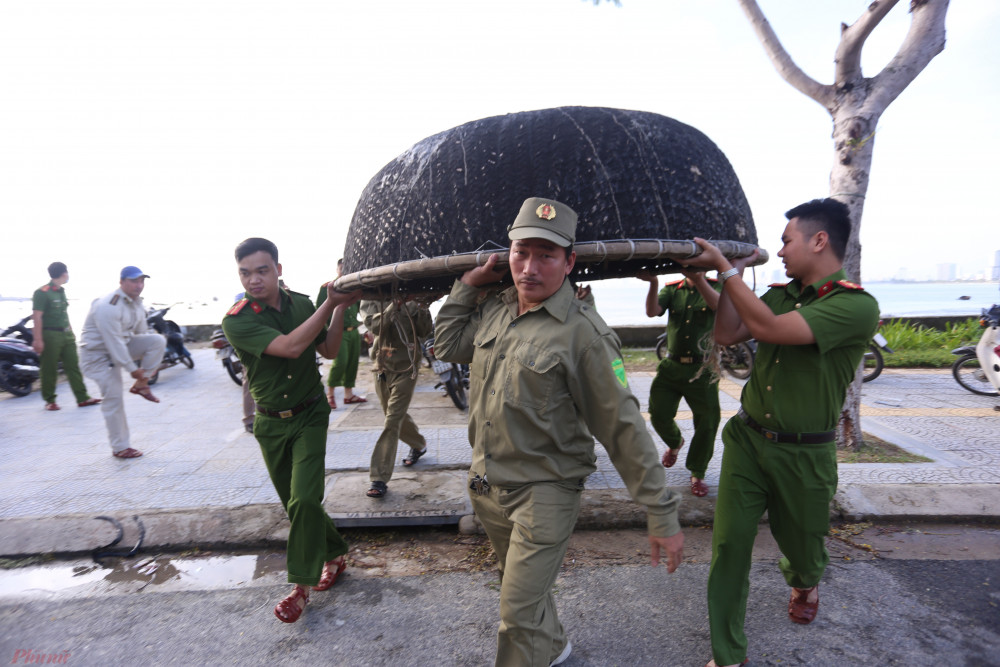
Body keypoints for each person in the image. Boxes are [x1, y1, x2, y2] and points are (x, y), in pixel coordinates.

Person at [433, 197, 684, 667]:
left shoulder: (584, 334)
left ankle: (533, 649)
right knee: (520, 587)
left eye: (546, 255)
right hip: (488, 484)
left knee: (517, 613)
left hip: (545, 490)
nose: (529, 268)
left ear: (569, 263)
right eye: (521, 252)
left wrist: (660, 511)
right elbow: (448, 344)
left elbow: (622, 426)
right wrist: (467, 285)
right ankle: (553, 648)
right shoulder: (496, 309)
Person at [682, 198, 879, 667]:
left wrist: (728, 272)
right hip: (749, 441)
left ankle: (805, 578)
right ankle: (728, 655)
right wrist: (708, 279)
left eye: (787, 240)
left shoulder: (854, 305)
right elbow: (730, 332)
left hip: (805, 455)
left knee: (803, 547)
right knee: (729, 545)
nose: (781, 250)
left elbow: (766, 327)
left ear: (819, 240)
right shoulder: (779, 293)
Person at [222, 237, 361, 624]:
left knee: (303, 499)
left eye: (262, 270)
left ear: (278, 270)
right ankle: (334, 555)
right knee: (296, 503)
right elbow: (289, 347)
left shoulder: (302, 304)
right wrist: (330, 304)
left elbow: (330, 351)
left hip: (310, 415)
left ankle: (300, 587)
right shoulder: (237, 319)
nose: (253, 280)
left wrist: (338, 309)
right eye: (245, 273)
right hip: (269, 423)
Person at [637, 268, 722, 497]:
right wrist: (653, 282)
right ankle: (675, 442)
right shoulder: (672, 289)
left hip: (702, 369)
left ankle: (697, 472)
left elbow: (719, 307)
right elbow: (652, 311)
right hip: (671, 366)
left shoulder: (716, 287)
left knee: (707, 423)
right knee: (658, 413)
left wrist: (699, 280)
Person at [79, 266, 167, 459]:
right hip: (97, 357)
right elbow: (113, 342)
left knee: (157, 341)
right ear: (121, 282)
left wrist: (144, 371)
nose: (139, 285)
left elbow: (141, 333)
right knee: (114, 399)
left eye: (142, 281)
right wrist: (132, 369)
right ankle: (120, 447)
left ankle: (142, 386)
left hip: (120, 348)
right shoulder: (108, 306)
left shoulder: (136, 303)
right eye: (134, 281)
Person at [360, 296, 433, 498]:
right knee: (391, 415)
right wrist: (395, 305)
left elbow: (425, 331)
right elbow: (374, 326)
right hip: (381, 367)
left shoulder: (413, 299)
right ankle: (419, 444)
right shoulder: (370, 299)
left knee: (392, 420)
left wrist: (422, 307)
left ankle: (379, 477)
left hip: (407, 367)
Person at [31, 262, 100, 411]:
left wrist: (71, 331)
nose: (68, 275)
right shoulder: (42, 292)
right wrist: (37, 339)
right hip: (50, 335)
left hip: (66, 335)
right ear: (63, 274)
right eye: (67, 273)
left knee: (73, 366)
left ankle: (82, 398)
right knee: (49, 368)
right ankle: (50, 401)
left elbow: (63, 313)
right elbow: (37, 317)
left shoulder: (61, 291)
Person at [315, 259, 367, 408]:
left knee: (352, 363)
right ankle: (330, 394)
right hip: (338, 332)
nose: (344, 271)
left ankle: (348, 395)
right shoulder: (328, 288)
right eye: (342, 268)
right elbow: (320, 311)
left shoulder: (355, 288)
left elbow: (361, 309)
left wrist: (367, 329)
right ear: (337, 269)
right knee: (341, 362)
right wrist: (325, 334)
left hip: (353, 331)